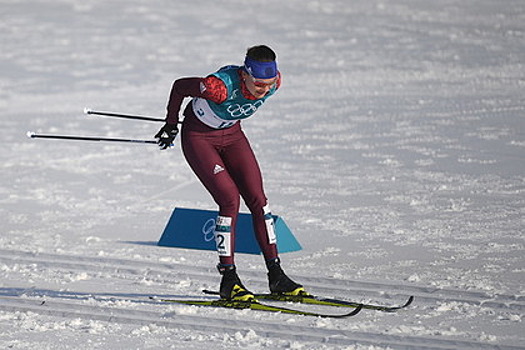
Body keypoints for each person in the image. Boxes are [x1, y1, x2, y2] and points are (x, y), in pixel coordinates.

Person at [154, 45, 305, 302]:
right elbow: (180, 86)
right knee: (229, 200)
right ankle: (229, 279)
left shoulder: (275, 83)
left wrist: (265, 87)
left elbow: (263, 89)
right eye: (259, 84)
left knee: (259, 200)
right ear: (245, 74)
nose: (264, 90)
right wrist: (171, 124)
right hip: (200, 138)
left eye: (269, 84)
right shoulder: (218, 87)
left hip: (233, 135)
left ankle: (276, 275)